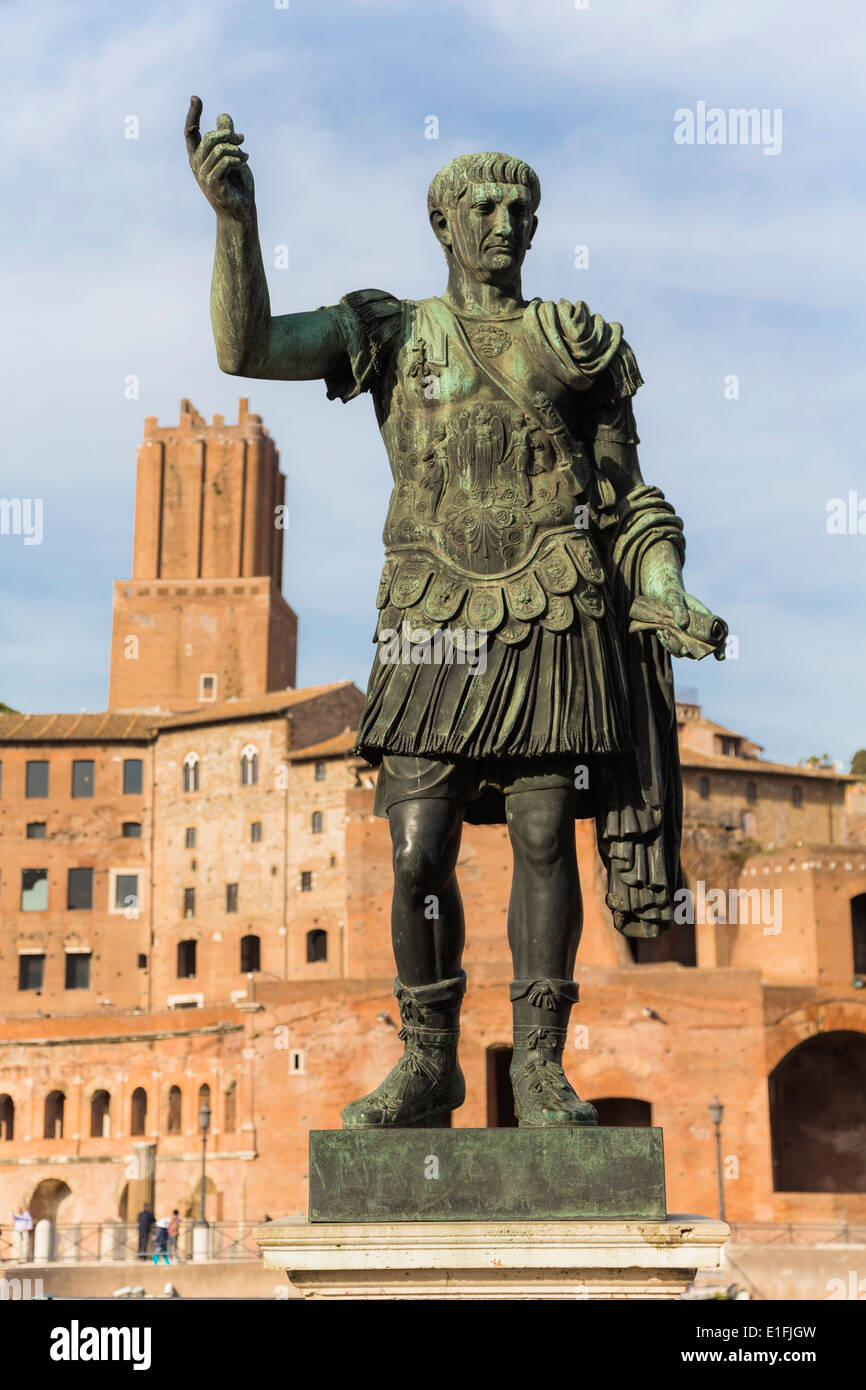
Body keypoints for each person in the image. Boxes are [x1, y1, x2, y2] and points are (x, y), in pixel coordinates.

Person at [186, 101, 727, 1130]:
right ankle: (429, 1059)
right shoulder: (392, 333)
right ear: (442, 224)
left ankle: (535, 1064)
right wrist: (233, 222)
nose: (501, 220)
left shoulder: (575, 343)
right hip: (430, 612)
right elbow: (244, 348)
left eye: (517, 205)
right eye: (479, 204)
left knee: (537, 834)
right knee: (417, 843)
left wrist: (659, 592)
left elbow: (626, 500)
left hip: (551, 607)